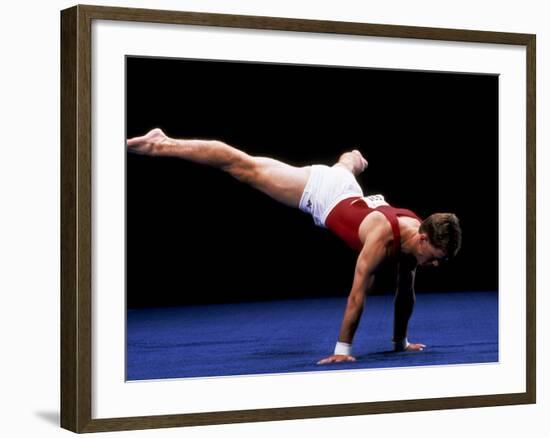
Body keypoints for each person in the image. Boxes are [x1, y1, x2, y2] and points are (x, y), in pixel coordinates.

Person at [127, 128, 462, 365]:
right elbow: (358, 294)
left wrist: (400, 343)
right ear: (422, 238)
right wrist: (343, 349)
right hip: (321, 193)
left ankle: (352, 160)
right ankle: (162, 143)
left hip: (348, 190)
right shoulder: (383, 237)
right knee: (243, 167)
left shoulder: (419, 232)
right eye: (434, 258)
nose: (434, 265)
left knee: (345, 168)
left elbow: (406, 293)